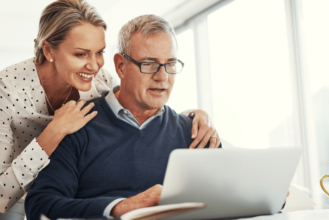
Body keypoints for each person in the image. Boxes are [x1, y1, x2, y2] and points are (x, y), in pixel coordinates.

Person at [0, 1, 220, 219]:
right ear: (48, 50)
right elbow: (27, 200)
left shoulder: (99, 81)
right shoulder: (10, 90)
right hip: (10, 193)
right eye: (80, 54)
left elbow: (135, 99)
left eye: (99, 53)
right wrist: (54, 132)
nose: (95, 65)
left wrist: (193, 116)